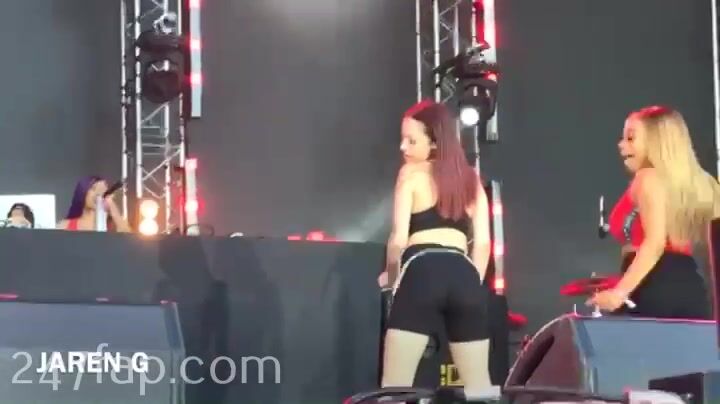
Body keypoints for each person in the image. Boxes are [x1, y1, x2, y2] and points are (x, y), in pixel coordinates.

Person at [377, 100, 495, 399]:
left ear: (433, 142)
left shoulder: (410, 174)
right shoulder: (470, 180)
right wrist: (470, 282)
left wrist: (392, 279)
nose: (403, 147)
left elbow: (397, 240)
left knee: (395, 389)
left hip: (422, 271)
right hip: (464, 275)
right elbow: (483, 243)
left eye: (411, 140)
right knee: (480, 390)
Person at [588, 106, 720, 319]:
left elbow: (655, 243)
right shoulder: (705, 184)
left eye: (631, 138)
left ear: (656, 141)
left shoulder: (647, 178)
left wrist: (619, 293)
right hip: (691, 287)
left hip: (654, 286)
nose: (621, 145)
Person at [57, 176, 131, 232]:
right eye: (94, 189)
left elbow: (128, 241)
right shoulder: (65, 225)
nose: (98, 193)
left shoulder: (113, 226)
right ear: (83, 192)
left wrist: (112, 207)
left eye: (102, 190)